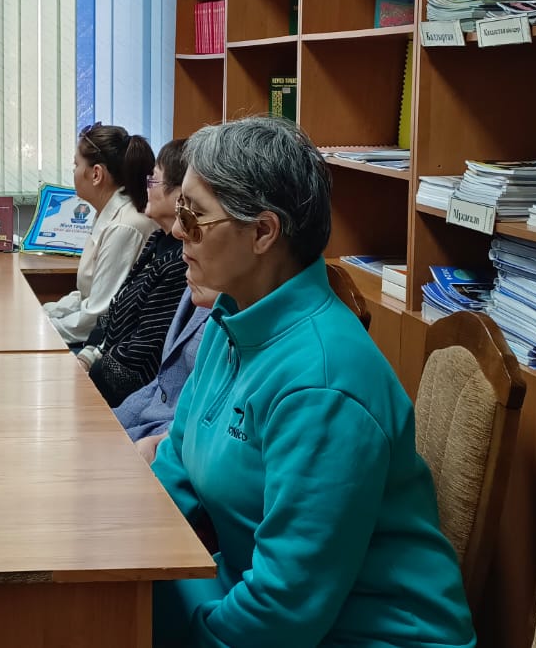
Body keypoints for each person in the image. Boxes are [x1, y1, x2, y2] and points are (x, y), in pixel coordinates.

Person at [151, 117, 474, 648]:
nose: (176, 229)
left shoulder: (322, 385)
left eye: (194, 214)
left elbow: (286, 607)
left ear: (263, 233)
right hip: (257, 595)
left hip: (359, 634)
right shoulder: (231, 319)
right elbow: (177, 467)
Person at [77, 138, 189, 406]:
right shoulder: (158, 241)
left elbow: (140, 357)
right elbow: (115, 307)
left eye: (154, 180)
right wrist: (88, 354)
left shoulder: (179, 262)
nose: (146, 187)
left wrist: (86, 375)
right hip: (102, 363)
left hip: (124, 389)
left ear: (181, 195)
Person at [43, 123, 157, 345]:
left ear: (96, 174)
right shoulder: (109, 213)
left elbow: (97, 316)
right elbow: (87, 295)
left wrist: (41, 329)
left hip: (106, 345)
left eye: (76, 164)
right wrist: (45, 313)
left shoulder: (124, 227)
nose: (74, 171)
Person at [114, 282, 214, 462]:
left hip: (176, 442)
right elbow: (166, 379)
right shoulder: (195, 283)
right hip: (154, 421)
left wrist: (162, 441)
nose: (188, 268)